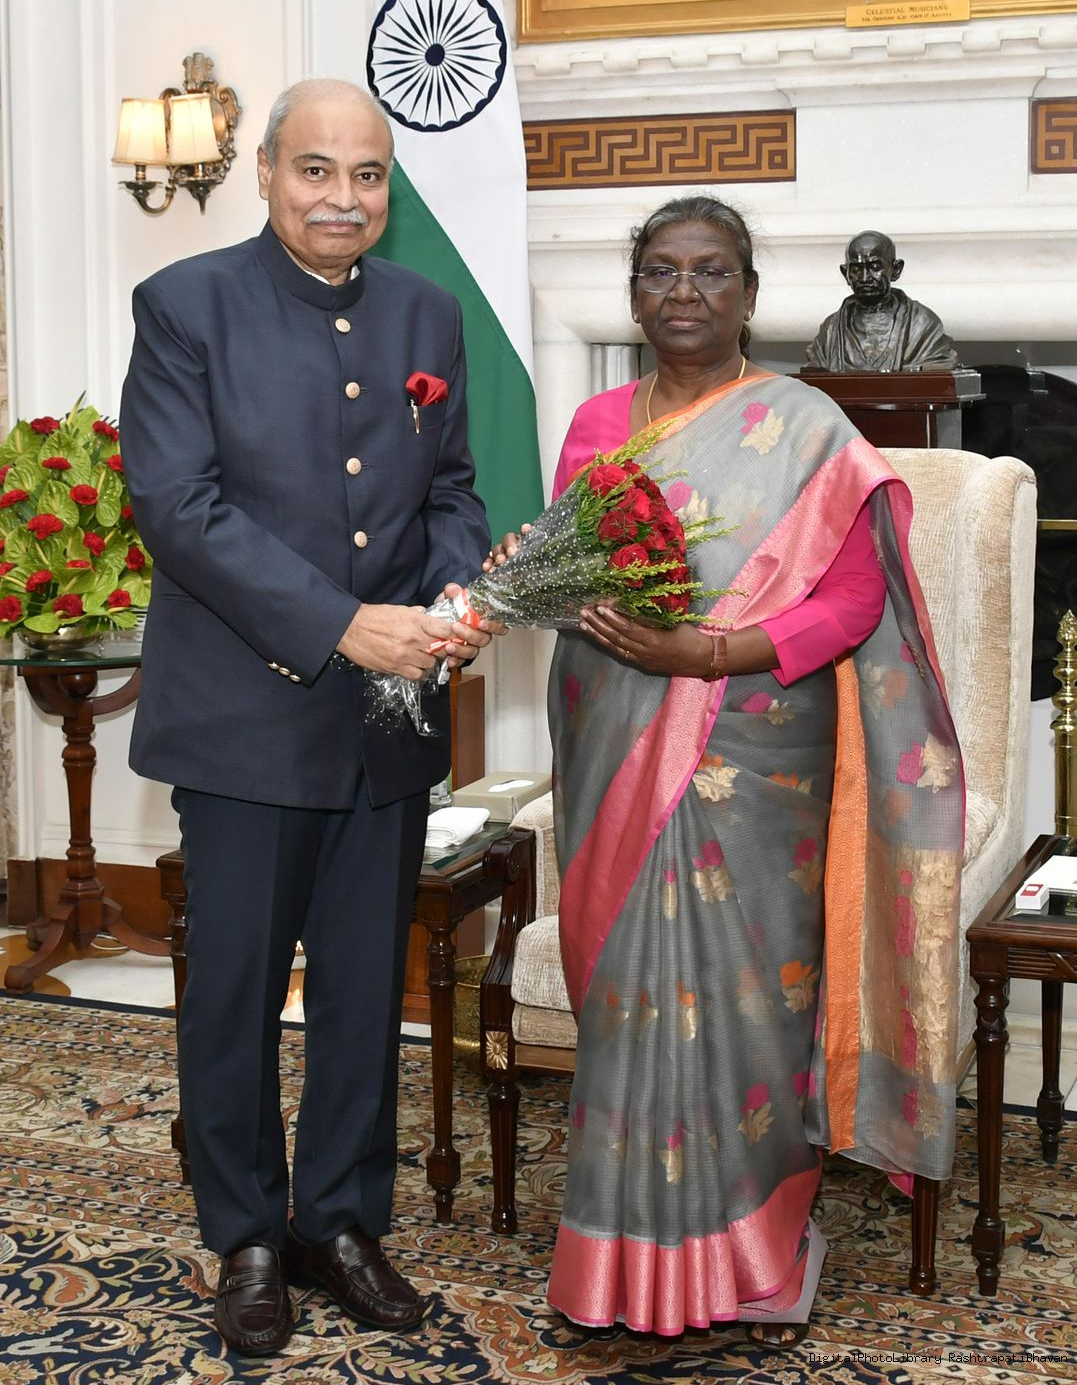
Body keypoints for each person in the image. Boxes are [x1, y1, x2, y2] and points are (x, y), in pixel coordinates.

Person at [495, 195, 964, 1346]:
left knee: (752, 1001)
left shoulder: (807, 428)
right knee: (629, 1001)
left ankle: (756, 1251)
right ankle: (616, 1263)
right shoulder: (596, 424)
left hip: (756, 755)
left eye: (710, 271)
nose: (684, 292)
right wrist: (522, 579)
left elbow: (852, 602)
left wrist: (706, 653)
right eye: (660, 271)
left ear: (749, 293)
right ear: (634, 293)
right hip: (614, 739)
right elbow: (576, 581)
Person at [119, 79, 493, 1357]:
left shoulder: (427, 311)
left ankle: (339, 1220)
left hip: (386, 720)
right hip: (244, 716)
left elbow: (452, 488)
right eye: (316, 170)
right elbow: (178, 507)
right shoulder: (185, 305)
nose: (343, 197)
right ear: (267, 171)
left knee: (361, 988)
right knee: (232, 990)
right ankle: (245, 1233)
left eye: (367, 175)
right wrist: (344, 623)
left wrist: (455, 591)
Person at [804, 230, 958, 372]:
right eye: (856, 269)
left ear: (896, 269)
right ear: (845, 273)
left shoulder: (922, 324)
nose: (865, 278)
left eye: (875, 267)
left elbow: (939, 368)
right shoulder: (830, 330)